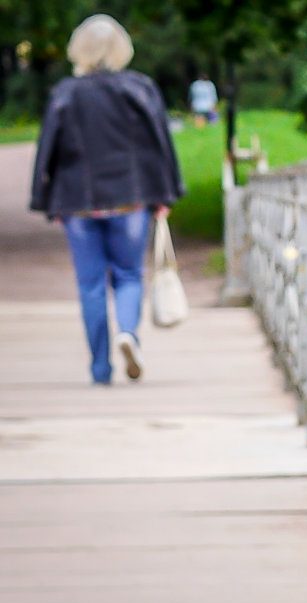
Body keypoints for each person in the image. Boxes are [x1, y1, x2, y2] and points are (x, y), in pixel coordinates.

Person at [29, 14, 184, 385]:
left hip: (78, 202)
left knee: (91, 285)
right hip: (131, 200)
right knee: (130, 275)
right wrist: (167, 192)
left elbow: (46, 148)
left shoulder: (66, 92)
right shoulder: (141, 88)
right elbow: (160, 144)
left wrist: (45, 198)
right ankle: (128, 333)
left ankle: (100, 368)